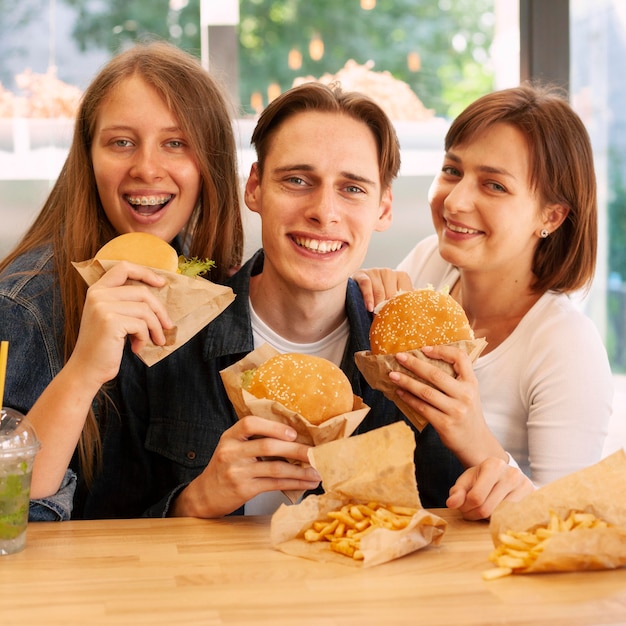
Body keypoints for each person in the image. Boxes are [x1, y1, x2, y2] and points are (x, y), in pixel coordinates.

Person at [79, 81, 534, 522]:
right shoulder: (165, 334)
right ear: (254, 188)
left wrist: (495, 473)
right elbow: (99, 526)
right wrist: (195, 501)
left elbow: (463, 519)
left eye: (352, 188)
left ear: (383, 207)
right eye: (297, 180)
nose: (324, 211)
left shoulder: (412, 361)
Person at [0, 41, 244, 521]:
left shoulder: (203, 280)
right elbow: (6, 512)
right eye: (121, 142)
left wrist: (362, 288)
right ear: (88, 159)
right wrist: (84, 369)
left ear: (209, 164)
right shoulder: (22, 304)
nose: (147, 168)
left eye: (176, 143)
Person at [354, 84, 613, 488]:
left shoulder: (566, 344)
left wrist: (474, 437)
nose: (455, 201)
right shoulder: (429, 263)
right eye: (452, 171)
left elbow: (567, 519)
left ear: (552, 217)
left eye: (494, 185)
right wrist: (360, 295)